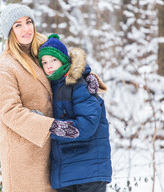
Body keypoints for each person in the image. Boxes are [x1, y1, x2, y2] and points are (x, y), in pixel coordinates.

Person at [0, 4, 96, 192]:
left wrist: (87, 76)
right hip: (24, 157)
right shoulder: (5, 68)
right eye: (18, 25)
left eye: (28, 22)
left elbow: (68, 65)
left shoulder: (43, 48)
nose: (26, 29)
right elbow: (10, 112)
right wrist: (50, 125)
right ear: (10, 32)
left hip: (53, 152)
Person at [38, 34, 112, 192]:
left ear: (63, 60)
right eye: (44, 62)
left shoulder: (78, 85)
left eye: (53, 60)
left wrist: (47, 127)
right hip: (67, 172)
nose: (49, 65)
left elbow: (87, 125)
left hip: (89, 171)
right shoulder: (54, 87)